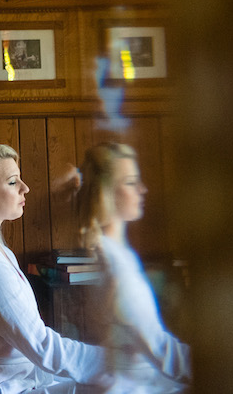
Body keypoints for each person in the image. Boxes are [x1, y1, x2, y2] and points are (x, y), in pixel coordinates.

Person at [0, 142, 106, 393]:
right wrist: (116, 362)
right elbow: (42, 346)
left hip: (19, 382)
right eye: (13, 182)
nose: (25, 188)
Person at [76, 143, 191, 393]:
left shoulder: (119, 253)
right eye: (130, 182)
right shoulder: (115, 265)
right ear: (106, 193)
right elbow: (160, 349)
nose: (142, 189)